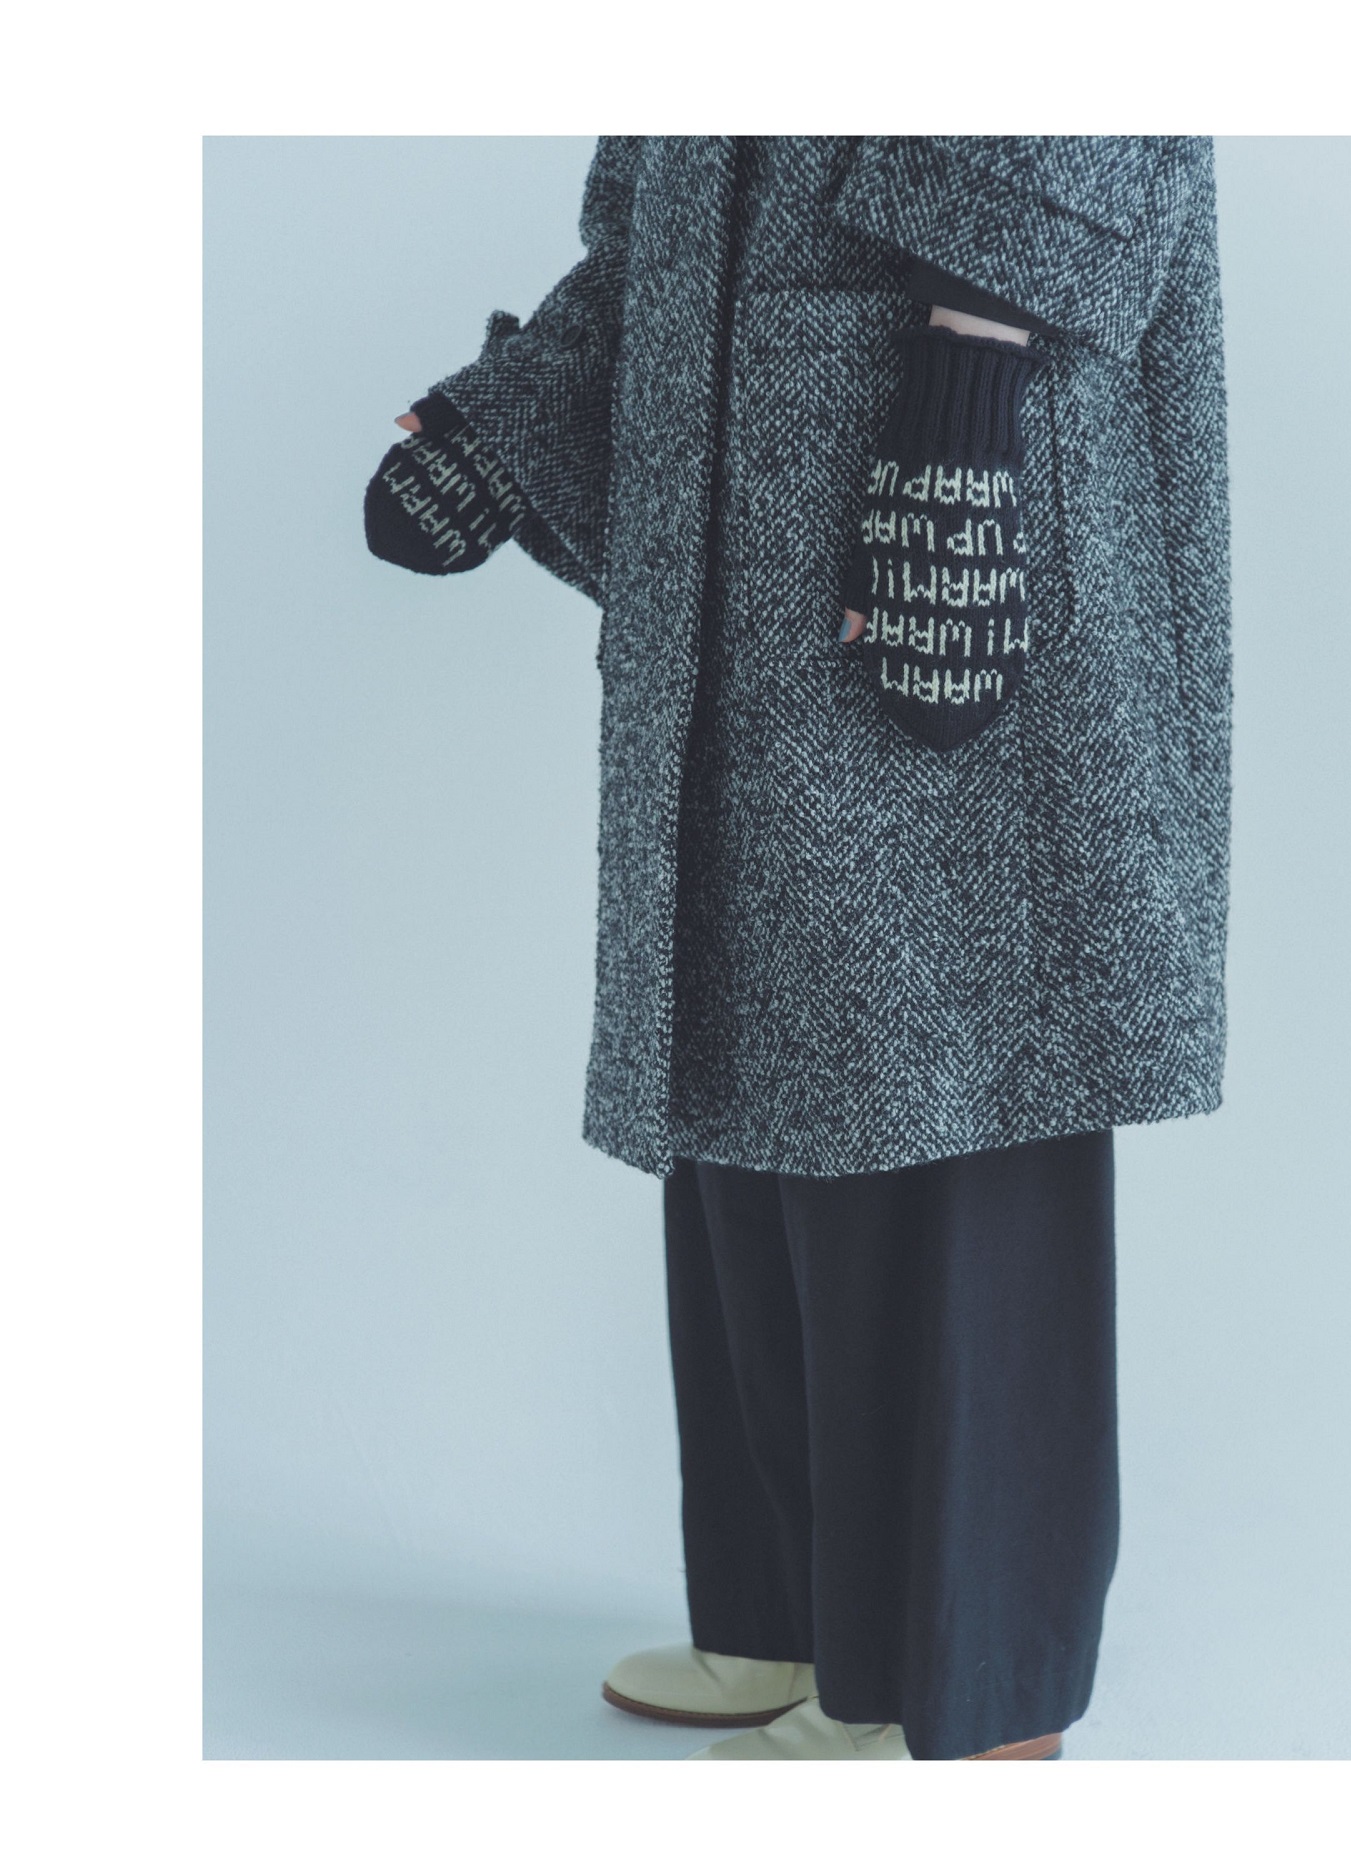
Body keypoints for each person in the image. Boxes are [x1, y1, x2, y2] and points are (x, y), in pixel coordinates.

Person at [364, 135, 1231, 1761]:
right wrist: (523, 411)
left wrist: (967, 398)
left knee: (956, 1059)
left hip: (961, 443)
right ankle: (795, 1623)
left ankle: (963, 1691)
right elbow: (661, 198)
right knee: (742, 1044)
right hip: (752, 460)